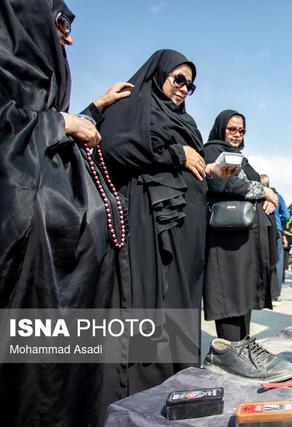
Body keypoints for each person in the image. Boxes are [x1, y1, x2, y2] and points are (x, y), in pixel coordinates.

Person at [0, 1, 133, 424]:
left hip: (62, 255)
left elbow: (36, 116)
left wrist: (88, 112)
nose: (69, 35)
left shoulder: (37, 83)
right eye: (61, 21)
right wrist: (58, 124)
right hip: (18, 253)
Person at [99, 50, 236, 394]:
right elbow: (115, 147)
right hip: (151, 221)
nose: (183, 89)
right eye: (178, 79)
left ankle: (181, 377)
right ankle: (148, 390)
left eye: (189, 86)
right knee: (155, 298)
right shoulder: (134, 105)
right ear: (159, 73)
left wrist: (210, 170)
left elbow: (190, 166)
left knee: (182, 300)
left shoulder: (185, 121)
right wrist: (178, 154)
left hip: (187, 226)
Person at [203, 110, 279, 342]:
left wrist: (267, 198)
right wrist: (264, 191)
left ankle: (243, 349)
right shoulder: (211, 151)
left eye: (241, 130)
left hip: (245, 239)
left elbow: (249, 183)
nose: (237, 134)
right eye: (232, 129)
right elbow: (221, 183)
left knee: (244, 295)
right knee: (229, 296)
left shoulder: (240, 158)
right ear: (220, 128)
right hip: (226, 240)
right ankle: (229, 353)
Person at [261, 174, 290, 305]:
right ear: (268, 184)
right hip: (275, 229)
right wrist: (280, 222)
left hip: (259, 229)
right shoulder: (276, 196)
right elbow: (286, 215)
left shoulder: (254, 194)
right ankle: (275, 295)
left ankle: (261, 293)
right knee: (277, 261)